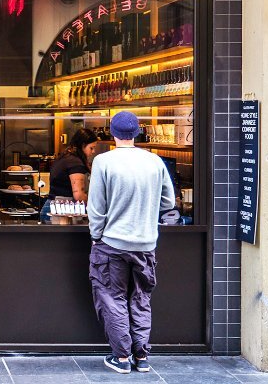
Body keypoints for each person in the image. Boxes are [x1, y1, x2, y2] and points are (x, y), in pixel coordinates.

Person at [86, 111, 176, 374]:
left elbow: (97, 207)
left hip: (112, 243)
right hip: (146, 244)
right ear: (137, 133)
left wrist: (96, 235)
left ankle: (122, 357)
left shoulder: (103, 161)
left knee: (112, 298)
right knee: (140, 298)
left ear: (113, 134)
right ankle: (142, 356)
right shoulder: (155, 162)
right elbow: (168, 202)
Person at [43, 128, 99, 223]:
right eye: (91, 148)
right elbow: (78, 194)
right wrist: (95, 207)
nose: (93, 152)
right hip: (61, 213)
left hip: (52, 208)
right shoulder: (75, 163)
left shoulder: (65, 157)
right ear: (83, 145)